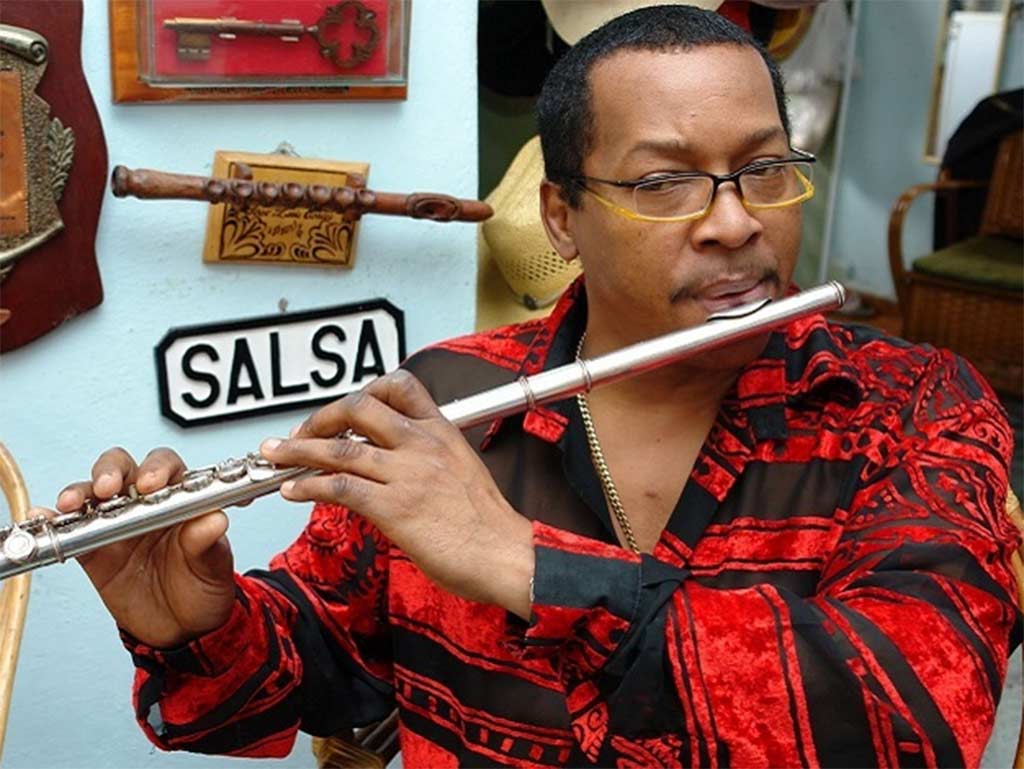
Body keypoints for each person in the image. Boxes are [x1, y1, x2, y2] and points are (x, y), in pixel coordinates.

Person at [42, 5, 1019, 767]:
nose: (734, 222)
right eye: (663, 182)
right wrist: (202, 628)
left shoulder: (915, 405)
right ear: (561, 216)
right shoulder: (442, 397)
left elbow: (913, 724)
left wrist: (522, 562)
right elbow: (318, 672)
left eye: (763, 169)